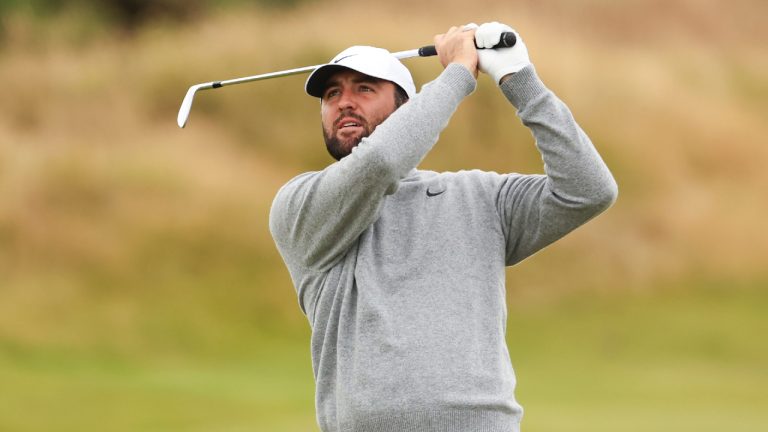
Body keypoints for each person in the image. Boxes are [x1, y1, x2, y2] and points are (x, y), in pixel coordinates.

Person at [269, 22, 618, 432]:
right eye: (332, 94)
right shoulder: (301, 204)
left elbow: (589, 189)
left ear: (407, 108)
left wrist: (519, 78)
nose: (344, 102)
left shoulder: (479, 196)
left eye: (364, 89)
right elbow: (378, 164)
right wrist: (457, 75)